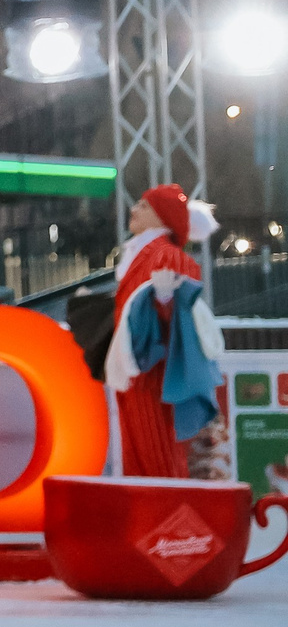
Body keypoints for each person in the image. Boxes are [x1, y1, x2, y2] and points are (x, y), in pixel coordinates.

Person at [105, 185, 222, 479]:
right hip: (140, 373)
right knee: (142, 459)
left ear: (163, 215)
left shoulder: (166, 256)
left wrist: (165, 302)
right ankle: (157, 518)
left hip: (154, 375)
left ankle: (169, 519)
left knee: (156, 459)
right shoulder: (144, 256)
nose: (134, 209)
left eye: (144, 206)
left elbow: (179, 314)